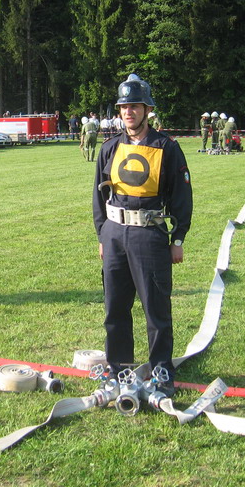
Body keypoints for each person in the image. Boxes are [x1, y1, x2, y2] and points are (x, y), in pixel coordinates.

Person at [92, 74, 192, 396]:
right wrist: (102, 235)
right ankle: (118, 369)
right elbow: (98, 196)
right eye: (124, 107)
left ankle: (161, 371)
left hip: (149, 235)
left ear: (147, 110)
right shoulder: (109, 148)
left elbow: (181, 197)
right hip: (114, 235)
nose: (129, 112)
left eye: (135, 106)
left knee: (155, 308)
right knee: (115, 308)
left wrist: (178, 239)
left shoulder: (167, 148)